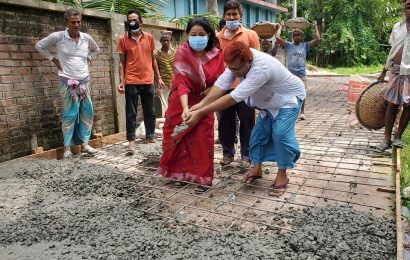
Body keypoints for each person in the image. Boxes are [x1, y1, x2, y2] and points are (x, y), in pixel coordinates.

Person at [186, 41, 305, 197]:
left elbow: (234, 97)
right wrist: (200, 105)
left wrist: (201, 112)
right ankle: (257, 168)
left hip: (288, 98)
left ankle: (282, 174)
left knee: (280, 134)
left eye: (237, 69)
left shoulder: (261, 67)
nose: (234, 72)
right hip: (268, 101)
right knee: (258, 134)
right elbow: (222, 84)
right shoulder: (237, 63)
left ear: (248, 61)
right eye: (231, 68)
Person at [158, 18, 225, 194]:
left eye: (201, 34)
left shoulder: (217, 55)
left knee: (202, 139)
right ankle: (180, 174)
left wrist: (211, 88)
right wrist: (186, 108)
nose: (197, 38)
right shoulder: (182, 54)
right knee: (177, 137)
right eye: (193, 34)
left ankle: (203, 179)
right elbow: (181, 83)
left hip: (205, 103)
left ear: (209, 35)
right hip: (181, 102)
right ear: (187, 35)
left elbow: (222, 80)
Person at [35, 8, 100, 159]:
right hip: (67, 83)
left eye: (79, 22)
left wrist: (88, 59)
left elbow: (96, 49)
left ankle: (84, 144)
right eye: (73, 22)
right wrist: (53, 59)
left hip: (84, 82)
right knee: (69, 115)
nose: (77, 25)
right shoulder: (58, 37)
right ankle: (67, 149)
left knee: (86, 113)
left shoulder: (86, 38)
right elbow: (39, 46)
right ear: (66, 23)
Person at [217, 0, 260, 167]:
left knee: (247, 121)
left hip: (246, 86)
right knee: (225, 122)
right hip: (225, 87)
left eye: (235, 14)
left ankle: (246, 155)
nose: (231, 17)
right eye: (228, 14)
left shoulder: (251, 35)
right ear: (224, 16)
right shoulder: (217, 37)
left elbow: (256, 60)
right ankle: (227, 154)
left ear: (240, 16)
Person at [116, 10, 165, 155]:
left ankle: (150, 136)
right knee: (131, 112)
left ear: (141, 21)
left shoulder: (149, 37)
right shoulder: (123, 39)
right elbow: (121, 63)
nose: (132, 22)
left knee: (150, 110)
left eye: (135, 20)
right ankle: (131, 141)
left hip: (147, 80)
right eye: (130, 20)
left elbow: (153, 59)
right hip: (131, 80)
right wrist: (121, 81)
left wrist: (159, 78)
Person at [376, 0, 410, 152]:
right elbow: (392, 50)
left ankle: (398, 137)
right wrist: (384, 71)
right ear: (404, 8)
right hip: (396, 71)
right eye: (408, 5)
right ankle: (386, 139)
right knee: (392, 104)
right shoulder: (397, 27)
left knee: (409, 105)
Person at [276, 20, 320, 120]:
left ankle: (302, 112)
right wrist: (281, 26)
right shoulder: (288, 45)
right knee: (289, 93)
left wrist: (315, 26)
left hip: (302, 74)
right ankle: (289, 111)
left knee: (302, 93)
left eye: (299, 35)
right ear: (293, 36)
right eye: (295, 35)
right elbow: (278, 37)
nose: (297, 36)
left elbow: (317, 39)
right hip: (290, 74)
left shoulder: (305, 46)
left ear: (301, 36)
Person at [154, 30, 176, 109]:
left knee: (173, 103)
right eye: (164, 40)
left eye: (168, 40)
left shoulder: (175, 52)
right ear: (161, 41)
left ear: (170, 41)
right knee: (164, 105)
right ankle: (166, 120)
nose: (166, 42)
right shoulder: (157, 54)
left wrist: (174, 80)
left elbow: (177, 68)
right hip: (162, 84)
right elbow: (155, 70)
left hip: (173, 83)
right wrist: (157, 85)